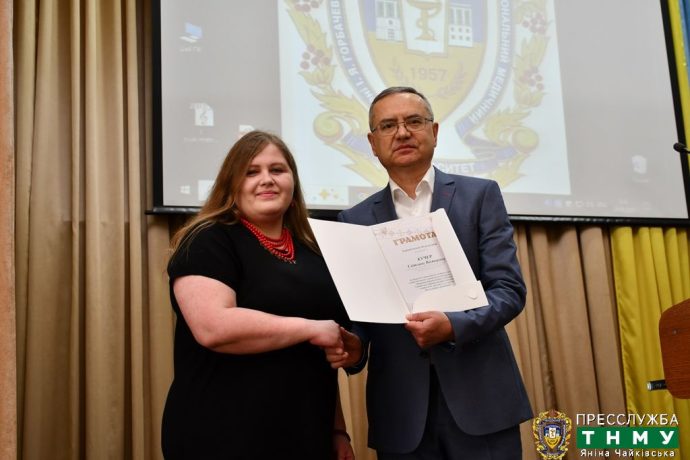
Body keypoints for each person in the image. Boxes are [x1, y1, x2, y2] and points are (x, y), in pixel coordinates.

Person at [327, 87, 533, 459]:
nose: (402, 133)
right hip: (401, 412)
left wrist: (454, 325)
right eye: (388, 125)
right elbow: (362, 315)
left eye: (413, 121)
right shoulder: (354, 219)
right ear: (373, 143)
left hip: (482, 401)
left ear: (434, 132)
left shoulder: (480, 196)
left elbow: (508, 289)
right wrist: (355, 348)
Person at [161, 130, 355, 459]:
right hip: (223, 433)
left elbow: (322, 354)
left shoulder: (312, 251)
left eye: (277, 170)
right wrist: (310, 328)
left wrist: (337, 429)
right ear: (232, 184)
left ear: (293, 182)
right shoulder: (208, 240)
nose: (267, 179)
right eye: (252, 172)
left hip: (307, 433)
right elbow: (213, 327)